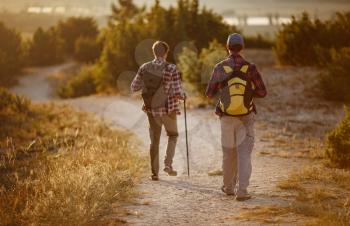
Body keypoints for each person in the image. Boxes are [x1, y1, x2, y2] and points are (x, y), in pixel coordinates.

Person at [205, 33, 267, 201]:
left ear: (227, 47)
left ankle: (229, 187)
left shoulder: (220, 67)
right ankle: (243, 191)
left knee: (228, 153)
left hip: (226, 116)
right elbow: (262, 92)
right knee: (244, 154)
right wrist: (248, 95)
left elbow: (209, 94)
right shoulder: (250, 67)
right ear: (242, 47)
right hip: (246, 116)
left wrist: (225, 93)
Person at [131, 41, 185, 181]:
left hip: (152, 111)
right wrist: (183, 96)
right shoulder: (171, 68)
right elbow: (178, 92)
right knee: (172, 136)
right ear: (166, 53)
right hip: (169, 109)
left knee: (154, 141)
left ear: (154, 52)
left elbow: (133, 87)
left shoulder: (145, 67)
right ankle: (168, 165)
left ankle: (154, 173)